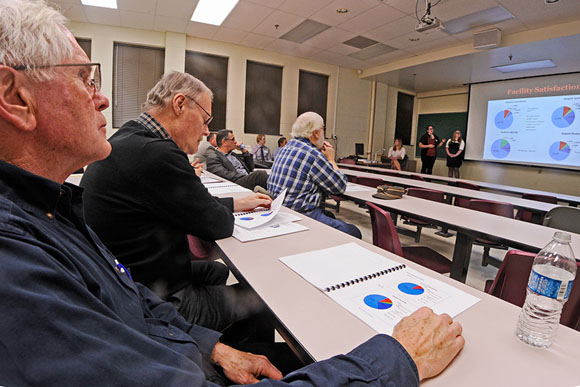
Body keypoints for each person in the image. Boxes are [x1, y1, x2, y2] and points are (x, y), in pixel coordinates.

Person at [0, 1, 465, 384]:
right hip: (171, 296)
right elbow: (212, 223)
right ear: (16, 97)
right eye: (85, 77)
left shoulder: (51, 209)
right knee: (266, 300)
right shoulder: (17, 259)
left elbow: (131, 302)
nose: (101, 98)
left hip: (171, 315)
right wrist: (393, 362)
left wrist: (213, 347)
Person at [81, 71, 272, 332]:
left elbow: (192, 204)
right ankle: (232, 356)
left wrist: (236, 204)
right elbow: (216, 224)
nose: (206, 131)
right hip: (151, 298)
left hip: (126, 279)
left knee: (216, 272)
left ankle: (216, 342)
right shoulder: (158, 153)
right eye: (205, 120)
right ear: (180, 104)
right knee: (261, 297)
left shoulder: (130, 138)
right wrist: (225, 209)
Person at [268, 112, 362, 238]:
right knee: (354, 232)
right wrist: (331, 159)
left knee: (330, 215)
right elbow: (339, 187)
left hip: (281, 211)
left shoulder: (285, 148)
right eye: (323, 129)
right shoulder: (312, 154)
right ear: (316, 133)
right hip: (302, 215)